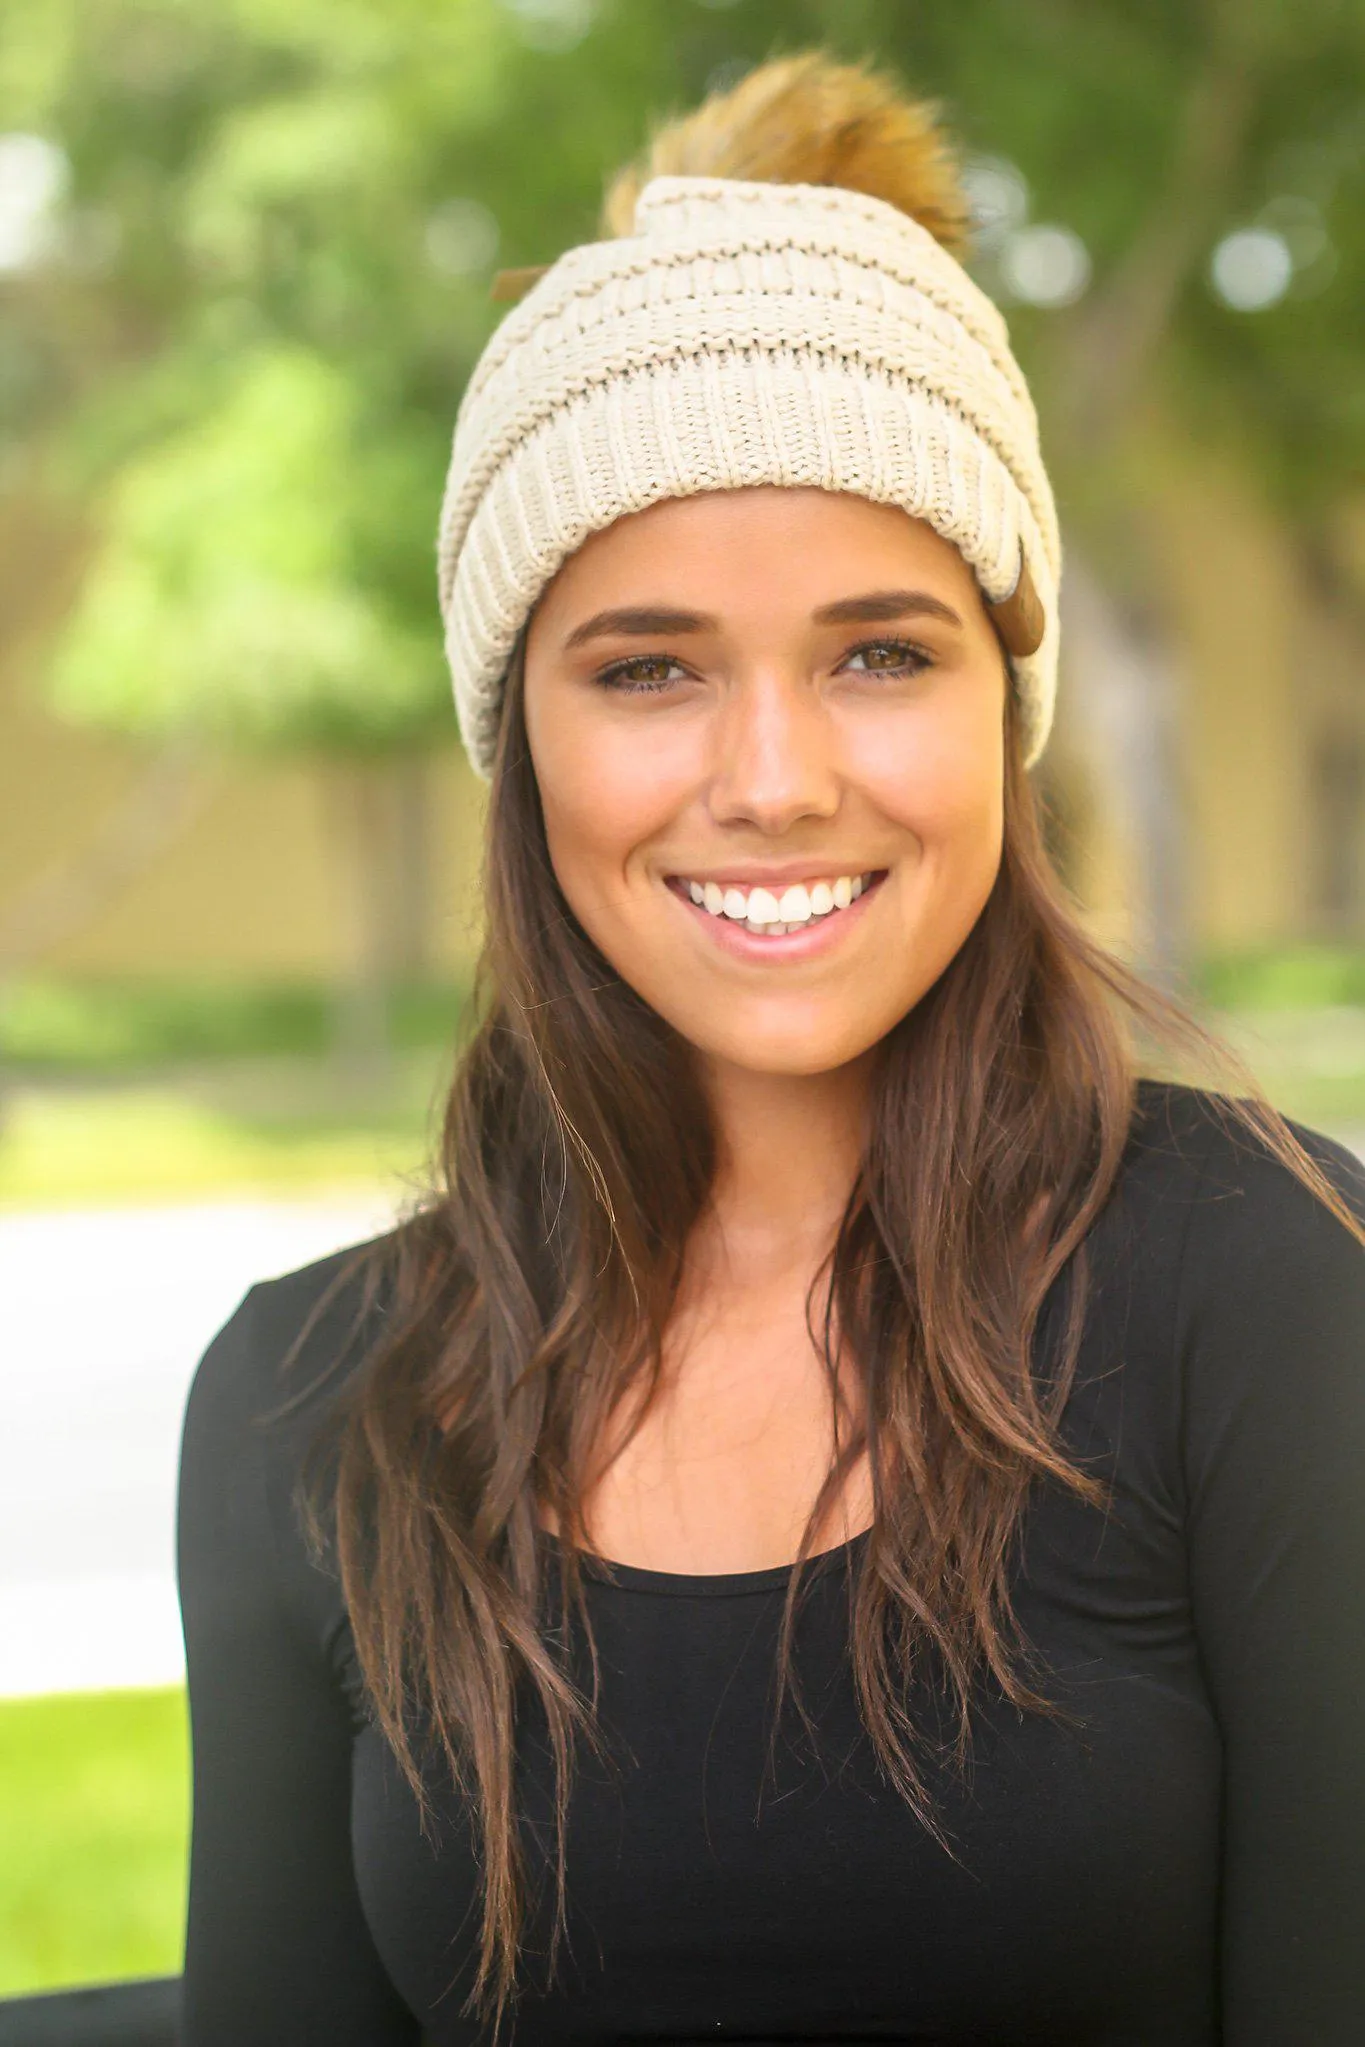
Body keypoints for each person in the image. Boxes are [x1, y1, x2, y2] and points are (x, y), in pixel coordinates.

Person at [176, 51, 1365, 2047]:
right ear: (517, 738)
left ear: (1005, 708)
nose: (772, 779)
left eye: (880, 654)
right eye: (647, 670)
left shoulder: (1272, 1287)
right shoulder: (308, 1402)